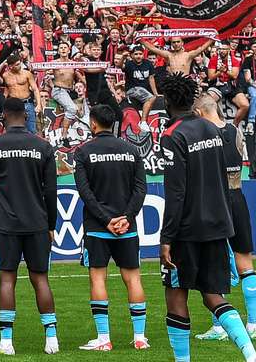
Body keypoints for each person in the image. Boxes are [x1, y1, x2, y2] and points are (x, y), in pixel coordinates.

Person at [155, 73, 256, 362]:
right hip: (217, 224)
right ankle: (251, 355)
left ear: (167, 102)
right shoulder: (212, 129)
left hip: (187, 229)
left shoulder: (172, 136)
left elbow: (175, 192)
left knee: (176, 294)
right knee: (213, 295)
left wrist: (166, 239)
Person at [0, 96, 59, 355]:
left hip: (6, 223)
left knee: (7, 279)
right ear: (26, 115)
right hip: (37, 222)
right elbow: (51, 191)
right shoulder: (43, 146)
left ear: (3, 116)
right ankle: (51, 339)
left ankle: (6, 342)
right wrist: (51, 225)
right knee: (41, 279)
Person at [71, 104, 150, 351]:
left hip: (97, 226)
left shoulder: (83, 152)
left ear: (93, 123)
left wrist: (106, 220)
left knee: (98, 277)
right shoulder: (131, 150)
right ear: (114, 123)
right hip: (128, 227)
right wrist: (126, 217)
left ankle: (104, 339)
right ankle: (140, 338)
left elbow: (86, 193)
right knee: (133, 278)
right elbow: (140, 189)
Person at [194, 93, 256, 343]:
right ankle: (253, 325)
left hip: (215, 202)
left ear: (200, 113)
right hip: (237, 197)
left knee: (215, 264)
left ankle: (219, 326)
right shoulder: (235, 130)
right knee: (246, 264)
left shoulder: (203, 136)